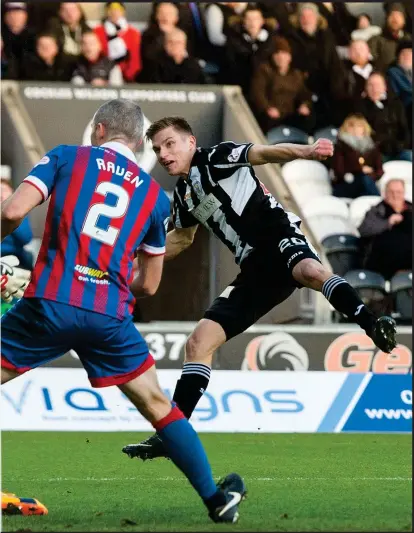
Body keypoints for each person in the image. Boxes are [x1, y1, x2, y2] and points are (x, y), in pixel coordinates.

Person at [0, 99, 246, 524]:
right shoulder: (154, 196)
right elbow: (149, 284)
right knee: (157, 404)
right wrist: (106, 283)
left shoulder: (65, 157)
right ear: (137, 143)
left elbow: (12, 211)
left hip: (50, 303)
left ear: (99, 130)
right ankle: (214, 498)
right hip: (108, 316)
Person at [122, 116, 397, 461]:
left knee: (310, 269)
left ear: (191, 142)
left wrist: (308, 151)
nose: (163, 154)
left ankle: (373, 324)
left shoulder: (217, 157)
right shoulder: (184, 194)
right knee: (198, 342)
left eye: (170, 143)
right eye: (158, 148)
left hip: (279, 238)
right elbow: (181, 239)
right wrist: (138, 258)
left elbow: (265, 153)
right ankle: (172, 434)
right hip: (254, 270)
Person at [250, 36, 314, 134]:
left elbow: (305, 95)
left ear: (289, 57)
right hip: (271, 114)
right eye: (277, 53)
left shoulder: (296, 74)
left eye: (284, 53)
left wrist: (305, 105)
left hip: (290, 115)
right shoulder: (264, 70)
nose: (280, 57)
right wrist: (267, 108)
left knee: (308, 119)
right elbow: (258, 93)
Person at [358, 178, 412, 279]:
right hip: (383, 262)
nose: (395, 195)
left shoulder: (410, 209)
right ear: (385, 193)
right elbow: (364, 230)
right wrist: (388, 223)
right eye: (391, 192)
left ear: (404, 193)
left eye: (399, 192)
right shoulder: (377, 210)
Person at [356, 72, 412, 162]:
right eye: (370, 85)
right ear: (365, 88)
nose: (374, 89)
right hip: (377, 153)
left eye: (378, 85)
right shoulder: (360, 107)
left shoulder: (396, 104)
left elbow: (404, 128)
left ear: (385, 87)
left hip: (399, 149)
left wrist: (402, 145)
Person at [331, 114, 382, 199]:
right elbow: (338, 171)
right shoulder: (340, 146)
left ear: (364, 128)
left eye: (359, 126)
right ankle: (379, 204)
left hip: (367, 183)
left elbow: (379, 170)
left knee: (366, 180)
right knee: (364, 180)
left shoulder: (372, 147)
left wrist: (371, 174)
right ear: (345, 128)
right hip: (346, 184)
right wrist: (360, 170)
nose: (355, 129)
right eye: (351, 126)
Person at [94, 1, 141, 82]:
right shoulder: (97, 32)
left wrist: (128, 77)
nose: (114, 12)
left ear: (123, 12)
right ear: (106, 12)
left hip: (126, 78)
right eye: (111, 9)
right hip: (103, 75)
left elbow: (135, 60)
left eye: (117, 10)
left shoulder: (133, 33)